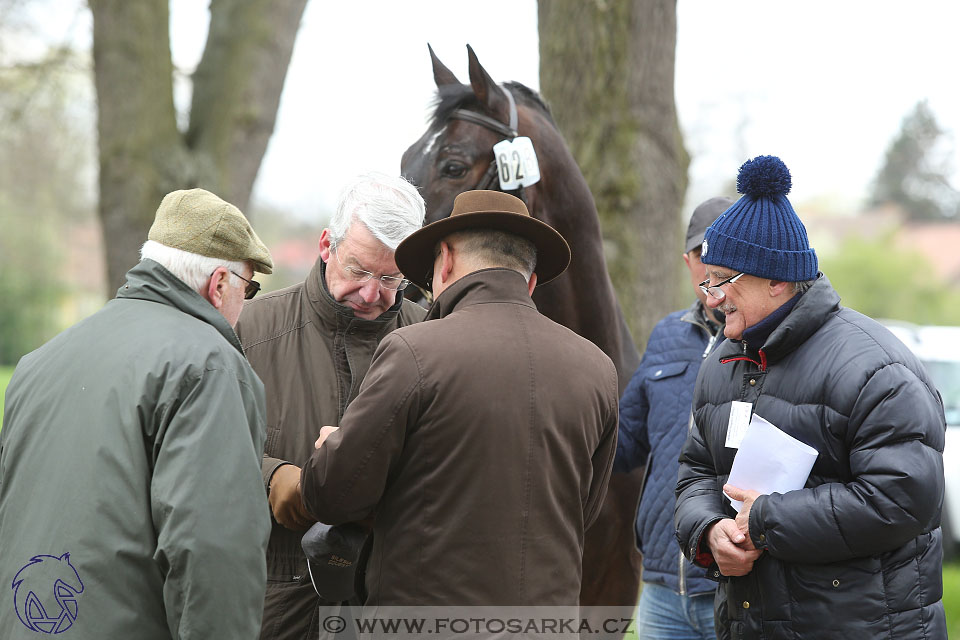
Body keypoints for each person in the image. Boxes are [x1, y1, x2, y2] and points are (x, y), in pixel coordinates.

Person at [299, 189, 619, 608]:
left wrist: (330, 452)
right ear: (531, 280)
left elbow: (331, 495)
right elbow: (584, 510)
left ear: (445, 260)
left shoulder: (413, 352)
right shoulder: (597, 368)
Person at [674, 155, 947, 639]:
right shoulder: (721, 363)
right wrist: (709, 532)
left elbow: (902, 500)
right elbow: (696, 473)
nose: (710, 296)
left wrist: (765, 520)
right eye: (707, 280)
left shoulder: (876, 368)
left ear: (776, 280)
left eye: (723, 280)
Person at [0, 188, 273, 639]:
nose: (245, 303)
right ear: (220, 283)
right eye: (249, 286)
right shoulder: (208, 366)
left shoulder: (40, 361)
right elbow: (212, 551)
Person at [235, 172, 426, 640]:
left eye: (390, 279)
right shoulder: (249, 329)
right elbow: (201, 453)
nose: (370, 293)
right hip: (274, 606)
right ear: (326, 245)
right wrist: (279, 481)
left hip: (392, 607)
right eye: (359, 270)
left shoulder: (432, 341)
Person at [616, 197, 732, 639]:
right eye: (703, 254)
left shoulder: (766, 339)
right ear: (688, 262)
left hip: (733, 585)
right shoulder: (666, 334)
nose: (712, 266)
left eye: (724, 251)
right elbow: (623, 443)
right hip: (662, 587)